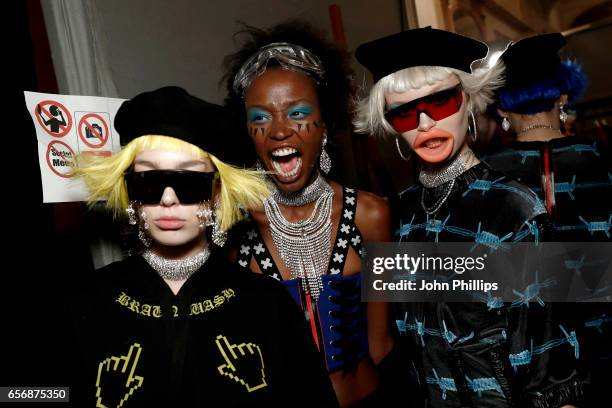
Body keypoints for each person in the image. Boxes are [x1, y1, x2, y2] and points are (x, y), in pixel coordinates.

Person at [355, 27, 585, 407]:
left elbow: (553, 368)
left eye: (441, 102)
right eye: (405, 112)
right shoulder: (392, 217)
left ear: (468, 100)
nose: (425, 123)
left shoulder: (514, 208)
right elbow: (392, 346)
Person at [69, 86, 338, 407]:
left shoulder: (267, 305)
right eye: (149, 182)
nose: (168, 199)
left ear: (217, 193)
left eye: (189, 183)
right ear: (131, 195)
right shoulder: (85, 301)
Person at [223, 21, 394, 407]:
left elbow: (382, 343)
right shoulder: (237, 227)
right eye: (261, 118)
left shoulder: (370, 215)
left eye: (298, 113)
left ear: (325, 127)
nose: (280, 130)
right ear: (248, 131)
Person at [483, 33, 612, 404]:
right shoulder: (604, 161)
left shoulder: (484, 179)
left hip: (525, 361)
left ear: (502, 110)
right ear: (563, 96)